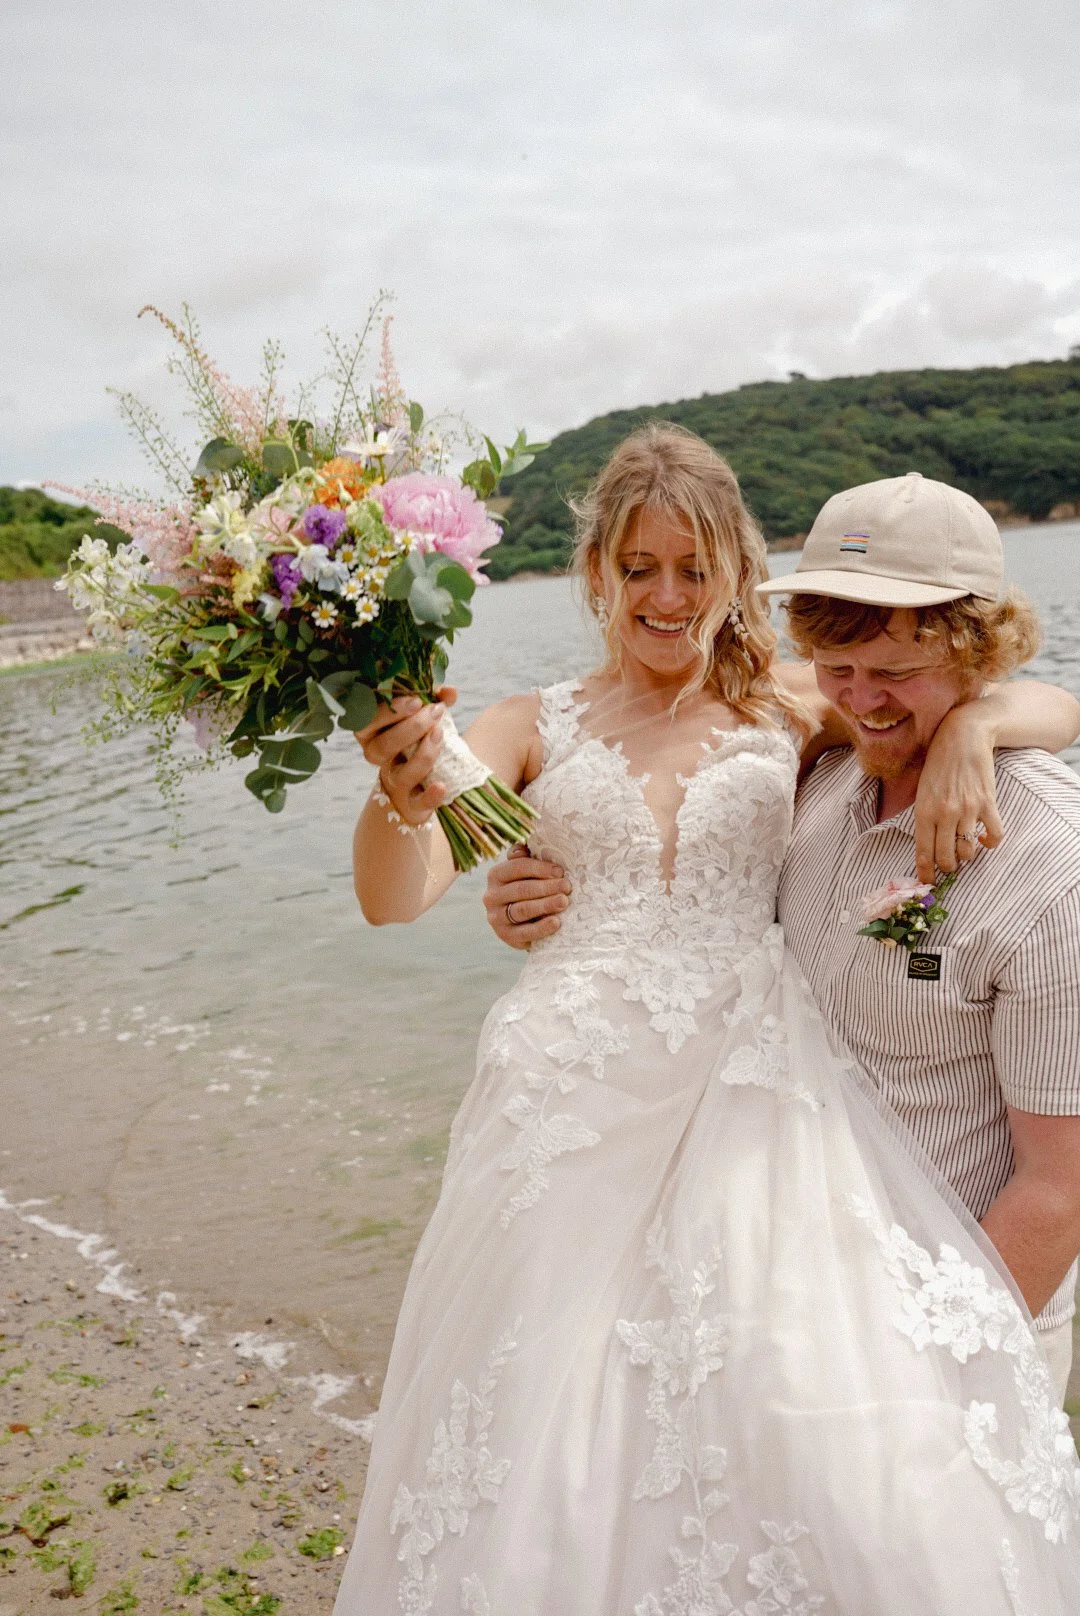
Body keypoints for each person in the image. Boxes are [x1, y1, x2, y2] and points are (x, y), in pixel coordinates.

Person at [335, 428, 1080, 1614]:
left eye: (693, 568)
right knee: (547, 1409)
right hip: (569, 1102)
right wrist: (394, 782)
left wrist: (976, 740)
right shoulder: (533, 722)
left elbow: (1040, 698)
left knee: (773, 1405)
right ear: (600, 575)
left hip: (749, 1084)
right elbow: (395, 892)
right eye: (640, 569)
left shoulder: (796, 702)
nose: (668, 597)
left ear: (735, 570)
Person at [489, 467, 1080, 1409]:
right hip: (796, 1304)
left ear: (978, 654)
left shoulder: (1048, 864)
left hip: (958, 1330)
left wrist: (926, 1368)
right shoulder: (822, 780)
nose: (864, 700)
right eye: (838, 669)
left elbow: (1062, 1193)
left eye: (895, 673)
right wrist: (544, 892)